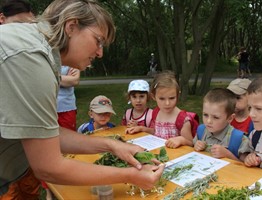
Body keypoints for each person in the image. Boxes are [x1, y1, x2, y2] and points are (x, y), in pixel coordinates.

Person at [0, 0, 165, 198]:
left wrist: (112, 145)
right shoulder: (32, 58)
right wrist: (130, 175)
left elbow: (44, 134)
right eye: (98, 40)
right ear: (71, 26)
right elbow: (48, 167)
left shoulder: (36, 48)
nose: (100, 53)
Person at [193, 88, 251, 161]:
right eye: (205, 115)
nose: (209, 121)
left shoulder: (239, 139)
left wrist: (227, 154)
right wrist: (196, 146)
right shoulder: (201, 131)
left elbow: (246, 168)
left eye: (216, 117)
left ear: (230, 118)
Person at [148, 70, 194, 148]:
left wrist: (181, 140)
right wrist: (141, 128)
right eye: (162, 99)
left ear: (177, 95)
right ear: (153, 96)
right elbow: (154, 131)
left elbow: (191, 143)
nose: (167, 103)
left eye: (172, 98)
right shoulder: (156, 112)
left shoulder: (182, 120)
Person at [57, 66, 80, 131]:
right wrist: (66, 79)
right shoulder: (43, 56)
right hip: (45, 106)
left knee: (69, 139)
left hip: (67, 108)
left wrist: (49, 76)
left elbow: (74, 81)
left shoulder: (71, 59)